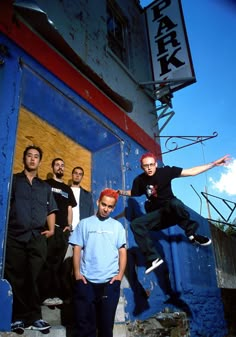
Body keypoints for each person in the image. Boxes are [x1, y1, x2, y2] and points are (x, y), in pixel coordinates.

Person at [118, 152, 230, 275]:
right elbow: (133, 192)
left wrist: (213, 164)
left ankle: (192, 234)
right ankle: (153, 258)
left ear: (156, 164)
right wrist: (119, 192)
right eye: (146, 166)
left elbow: (191, 172)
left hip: (171, 212)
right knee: (135, 224)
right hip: (157, 219)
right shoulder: (139, 180)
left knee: (175, 203)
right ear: (142, 167)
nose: (149, 168)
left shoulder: (166, 172)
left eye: (151, 165)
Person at [4, 145, 58, 334]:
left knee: (35, 277)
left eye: (36, 156)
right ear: (24, 159)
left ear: (39, 161)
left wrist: (51, 229)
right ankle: (18, 318)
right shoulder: (14, 181)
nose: (33, 159)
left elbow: (51, 209)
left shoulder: (44, 186)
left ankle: (35, 317)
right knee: (17, 277)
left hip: (37, 237)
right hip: (15, 236)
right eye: (29, 156)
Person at [69, 188, 127, 337]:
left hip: (110, 282)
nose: (106, 209)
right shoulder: (84, 224)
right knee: (85, 327)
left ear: (113, 208)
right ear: (98, 202)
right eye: (103, 204)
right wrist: (77, 273)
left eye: (110, 207)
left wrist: (119, 276)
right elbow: (77, 248)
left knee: (106, 328)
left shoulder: (117, 227)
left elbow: (122, 252)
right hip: (87, 281)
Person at [41, 158, 77, 306]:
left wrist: (69, 225)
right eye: (57, 165)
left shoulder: (67, 189)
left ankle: (55, 295)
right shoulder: (46, 184)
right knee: (46, 262)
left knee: (58, 265)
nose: (60, 167)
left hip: (63, 231)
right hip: (49, 229)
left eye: (62, 165)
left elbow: (70, 208)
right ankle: (44, 296)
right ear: (52, 167)